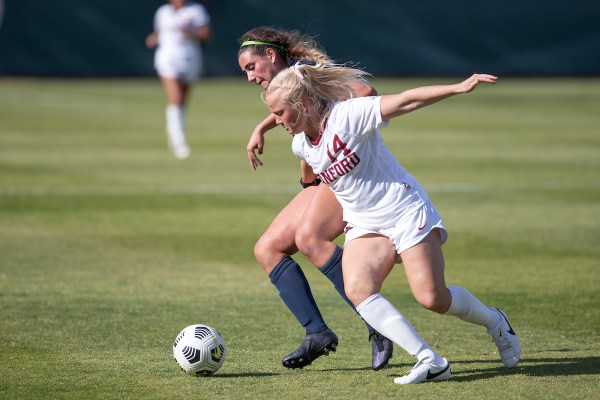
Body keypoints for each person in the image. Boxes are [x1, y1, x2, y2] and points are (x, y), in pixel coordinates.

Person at [263, 64, 522, 384]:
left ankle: (496, 321)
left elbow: (406, 101)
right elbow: (314, 174)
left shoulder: (348, 115)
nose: (276, 121)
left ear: (301, 105)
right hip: (363, 223)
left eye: (279, 112)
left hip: (402, 210)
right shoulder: (300, 144)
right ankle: (431, 360)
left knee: (432, 298)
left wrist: (457, 88)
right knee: (358, 290)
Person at [238, 27, 394, 371]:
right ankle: (317, 333)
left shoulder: (308, 71)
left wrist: (344, 128)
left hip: (346, 176)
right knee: (267, 249)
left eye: (251, 66)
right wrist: (262, 127)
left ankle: (378, 324)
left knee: (310, 238)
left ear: (270, 55)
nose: (249, 77)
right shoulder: (292, 82)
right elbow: (295, 103)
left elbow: (365, 90)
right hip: (318, 182)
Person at [146, 0, 211, 159]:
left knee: (182, 99)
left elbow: (206, 34)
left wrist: (191, 33)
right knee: (175, 97)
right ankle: (178, 139)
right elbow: (159, 33)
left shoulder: (195, 10)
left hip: (190, 58)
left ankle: (174, 130)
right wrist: (153, 39)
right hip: (167, 58)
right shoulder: (163, 12)